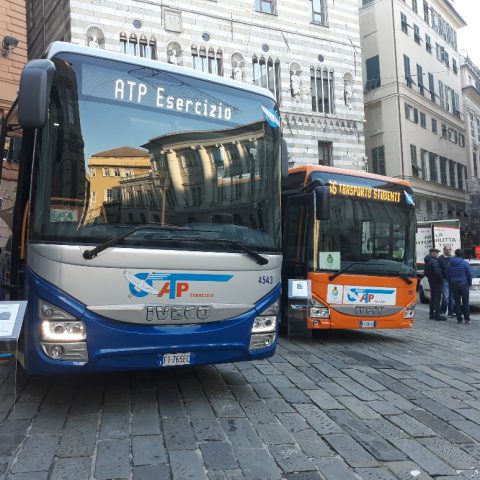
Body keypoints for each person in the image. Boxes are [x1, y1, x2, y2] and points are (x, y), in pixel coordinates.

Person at [446, 249, 473, 325]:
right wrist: (470, 283)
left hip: (454, 284)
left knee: (457, 302)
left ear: (455, 254)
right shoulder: (465, 263)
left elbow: (447, 273)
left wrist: (451, 281)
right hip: (464, 284)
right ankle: (467, 319)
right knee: (465, 302)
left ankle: (459, 319)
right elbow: (469, 274)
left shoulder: (449, 263)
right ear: (462, 254)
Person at [424, 248, 446, 321]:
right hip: (437, 282)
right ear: (433, 253)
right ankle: (437, 315)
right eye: (436, 253)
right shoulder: (434, 261)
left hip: (431, 281)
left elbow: (425, 273)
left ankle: (431, 314)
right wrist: (441, 278)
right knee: (437, 298)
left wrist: (430, 278)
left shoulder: (427, 260)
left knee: (433, 297)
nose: (437, 254)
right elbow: (437, 271)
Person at [438, 244, 455, 317]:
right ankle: (442, 311)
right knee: (445, 297)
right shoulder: (441, 258)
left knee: (452, 297)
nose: (448, 251)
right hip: (445, 279)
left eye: (449, 249)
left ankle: (451, 312)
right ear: (444, 250)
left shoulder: (453, 258)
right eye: (446, 249)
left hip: (452, 280)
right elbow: (440, 268)